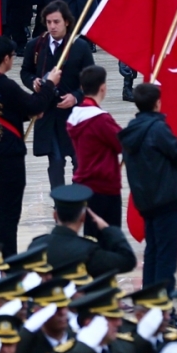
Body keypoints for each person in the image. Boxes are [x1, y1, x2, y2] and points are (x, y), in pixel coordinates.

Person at [0, 36, 61, 256]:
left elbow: (3, 111)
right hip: (8, 156)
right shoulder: (5, 84)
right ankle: (9, 260)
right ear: (5, 59)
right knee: (9, 213)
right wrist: (50, 84)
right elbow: (34, 104)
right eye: (12, 56)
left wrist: (28, 111)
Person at [119, 83, 177, 291]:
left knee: (153, 251)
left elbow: (151, 161)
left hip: (146, 200)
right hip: (166, 200)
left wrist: (175, 169)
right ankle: (164, 301)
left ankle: (150, 296)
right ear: (158, 103)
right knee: (166, 255)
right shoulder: (158, 129)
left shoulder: (132, 130)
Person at [20, 1, 94, 190]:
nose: (52, 26)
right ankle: (60, 202)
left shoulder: (80, 47)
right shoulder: (36, 45)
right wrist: (32, 82)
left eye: (56, 22)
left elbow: (91, 79)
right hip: (48, 112)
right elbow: (26, 71)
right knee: (56, 160)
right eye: (49, 22)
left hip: (74, 115)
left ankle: (78, 197)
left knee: (79, 159)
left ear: (66, 22)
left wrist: (76, 97)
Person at [65, 65, 123, 238]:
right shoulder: (101, 119)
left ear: (82, 88)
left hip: (84, 184)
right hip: (104, 185)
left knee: (90, 237)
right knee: (110, 238)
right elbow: (121, 143)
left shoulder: (75, 116)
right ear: (103, 88)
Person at [44, 183, 136, 276]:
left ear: (55, 215)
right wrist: (108, 229)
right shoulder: (90, 252)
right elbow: (128, 261)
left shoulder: (37, 247)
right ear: (83, 217)